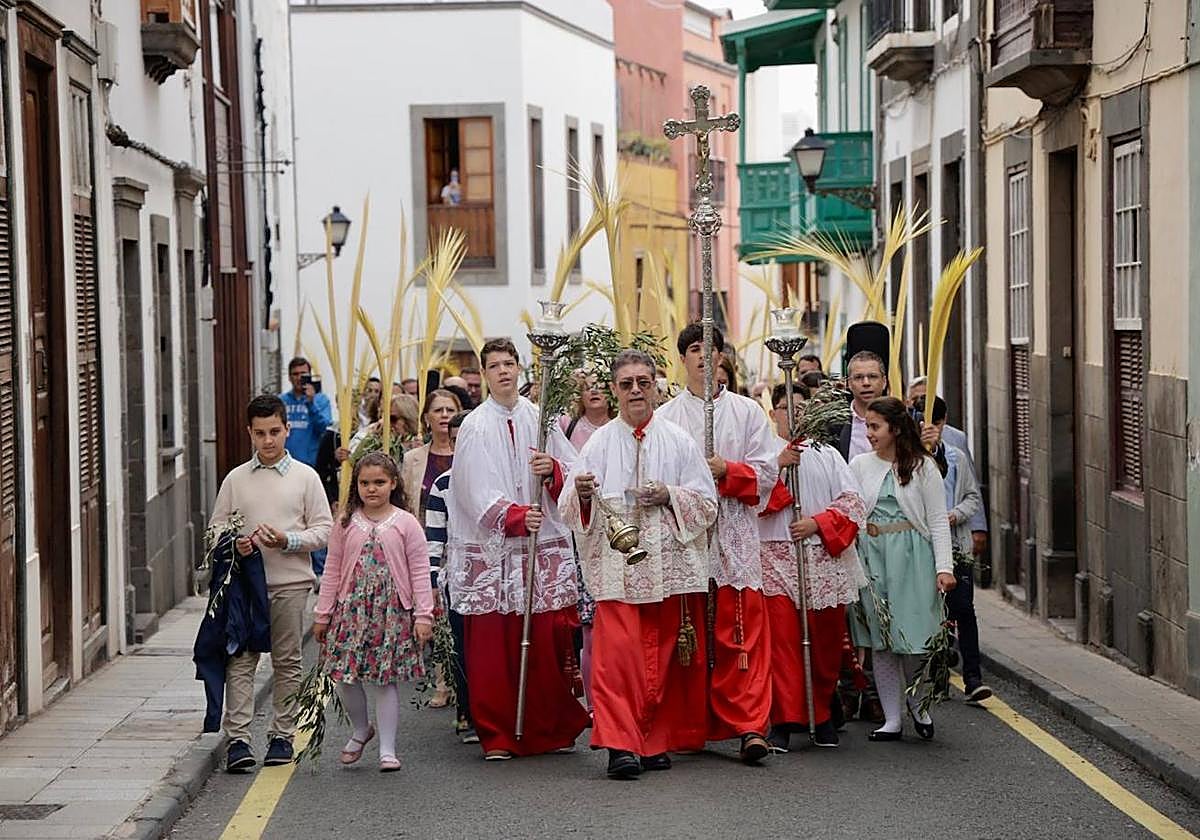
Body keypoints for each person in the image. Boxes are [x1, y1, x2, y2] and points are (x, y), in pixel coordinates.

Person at [559, 349, 718, 780]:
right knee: (616, 660)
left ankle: (649, 741)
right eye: (626, 383)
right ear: (614, 389)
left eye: (642, 382)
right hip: (616, 570)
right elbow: (568, 506)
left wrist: (669, 495)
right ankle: (619, 745)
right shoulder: (598, 442)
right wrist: (586, 494)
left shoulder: (679, 440)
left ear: (655, 385)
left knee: (658, 658)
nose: (635, 391)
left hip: (666, 568)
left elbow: (707, 504)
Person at [445, 338, 590, 760]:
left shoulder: (542, 418)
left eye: (509, 363)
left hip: (539, 546)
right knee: (493, 646)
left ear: (520, 368)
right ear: (485, 375)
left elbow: (577, 470)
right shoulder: (474, 425)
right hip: (495, 551)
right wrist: (511, 517)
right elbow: (470, 487)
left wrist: (555, 471)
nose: (503, 371)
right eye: (495, 366)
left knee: (545, 640)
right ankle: (499, 733)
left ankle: (550, 728)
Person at [657, 324, 777, 764]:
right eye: (694, 349)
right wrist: (689, 486)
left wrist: (727, 470)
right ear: (683, 358)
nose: (704, 357)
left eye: (712, 349)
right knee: (686, 633)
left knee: (739, 633)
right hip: (686, 536)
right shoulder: (666, 418)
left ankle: (748, 725)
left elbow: (767, 474)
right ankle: (688, 725)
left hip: (733, 534)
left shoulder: (747, 413)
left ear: (723, 357)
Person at [211, 395, 333, 773]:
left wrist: (288, 540)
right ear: (249, 432)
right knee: (241, 659)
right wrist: (235, 542)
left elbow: (324, 530)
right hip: (246, 587)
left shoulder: (306, 477)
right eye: (260, 433)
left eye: (275, 432)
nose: (268, 440)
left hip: (290, 583)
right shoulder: (236, 479)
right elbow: (215, 528)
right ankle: (238, 740)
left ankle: (282, 735)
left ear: (287, 430)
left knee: (287, 660)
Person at [759, 383, 866, 752]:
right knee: (783, 643)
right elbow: (749, 500)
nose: (795, 414)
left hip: (821, 557)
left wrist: (818, 523)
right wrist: (778, 468)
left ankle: (820, 713)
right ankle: (784, 720)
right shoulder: (764, 455)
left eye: (801, 407)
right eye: (787, 407)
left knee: (823, 641)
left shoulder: (828, 455)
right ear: (774, 414)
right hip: (776, 557)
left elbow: (853, 502)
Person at [313, 452, 434, 772]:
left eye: (379, 482)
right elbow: (333, 568)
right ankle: (361, 728)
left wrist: (424, 615)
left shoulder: (406, 523)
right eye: (365, 483)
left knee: (385, 680)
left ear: (393, 484)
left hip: (391, 613)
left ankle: (387, 749)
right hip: (352, 612)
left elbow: (420, 571)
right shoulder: (346, 521)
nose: (372, 489)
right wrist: (323, 614)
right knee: (344, 677)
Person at [848, 396, 955, 742]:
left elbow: (938, 521)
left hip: (912, 557)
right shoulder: (860, 465)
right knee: (881, 642)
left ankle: (918, 705)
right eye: (867, 426)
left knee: (912, 638)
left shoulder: (923, 467)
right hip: (872, 557)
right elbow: (850, 512)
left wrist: (944, 568)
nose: (869, 434)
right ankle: (891, 718)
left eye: (875, 427)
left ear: (895, 429)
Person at [915, 395, 992, 703]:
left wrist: (957, 517)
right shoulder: (908, 461)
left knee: (963, 608)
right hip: (923, 547)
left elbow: (973, 498)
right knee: (932, 611)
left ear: (944, 423)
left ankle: (973, 678)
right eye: (922, 422)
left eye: (935, 422)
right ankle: (937, 677)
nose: (929, 428)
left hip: (954, 543)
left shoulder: (957, 456)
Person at [425, 412, 476, 743]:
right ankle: (466, 713)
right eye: (455, 441)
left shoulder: (497, 477)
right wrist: (430, 582)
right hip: (458, 578)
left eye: (466, 440)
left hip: (496, 579)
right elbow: (434, 538)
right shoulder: (442, 485)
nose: (461, 447)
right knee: (461, 646)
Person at [907, 377, 988, 561]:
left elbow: (971, 489)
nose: (929, 428)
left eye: (936, 423)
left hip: (955, 538)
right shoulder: (902, 451)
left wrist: (976, 526)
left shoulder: (956, 447)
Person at [401, 389, 463, 521]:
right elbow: (405, 503)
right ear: (426, 417)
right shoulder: (412, 458)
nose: (445, 415)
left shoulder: (470, 455)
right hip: (424, 535)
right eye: (438, 410)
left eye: (450, 410)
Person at [280, 357, 333, 468]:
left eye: (303, 374)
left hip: (312, 464)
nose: (299, 378)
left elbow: (324, 429)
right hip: (285, 463)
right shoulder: (281, 401)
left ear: (309, 376)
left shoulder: (321, 400)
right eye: (295, 374)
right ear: (289, 377)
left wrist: (311, 403)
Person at [836, 351, 886, 464]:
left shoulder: (901, 419)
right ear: (848, 383)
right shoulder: (834, 425)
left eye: (872, 376)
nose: (866, 383)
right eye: (858, 377)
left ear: (884, 382)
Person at [559, 375, 614, 451]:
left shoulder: (617, 429)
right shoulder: (566, 423)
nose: (594, 391)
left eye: (600, 388)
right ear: (581, 397)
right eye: (588, 389)